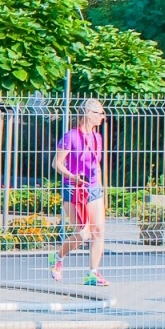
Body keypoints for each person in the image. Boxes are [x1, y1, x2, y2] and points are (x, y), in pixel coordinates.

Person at [51, 98, 109, 287]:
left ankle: (92, 273)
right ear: (87, 114)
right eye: (99, 113)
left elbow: (96, 165)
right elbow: (57, 163)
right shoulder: (71, 136)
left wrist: (101, 190)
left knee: (98, 231)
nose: (102, 117)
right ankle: (58, 257)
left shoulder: (97, 137)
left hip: (93, 187)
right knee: (83, 233)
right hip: (74, 189)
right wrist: (73, 177)